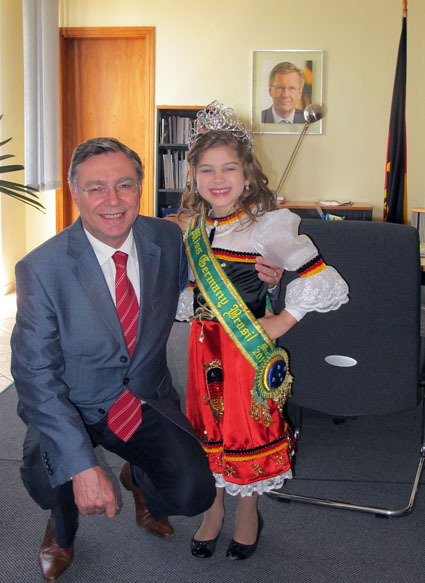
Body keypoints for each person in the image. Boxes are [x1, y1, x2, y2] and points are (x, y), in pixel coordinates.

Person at [10, 137, 219, 582]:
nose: (112, 200)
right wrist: (82, 465)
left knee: (194, 494)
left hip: (143, 399)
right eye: (96, 188)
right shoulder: (41, 269)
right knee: (49, 480)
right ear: (75, 192)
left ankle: (136, 478)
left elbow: (209, 287)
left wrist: (266, 280)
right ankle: (61, 529)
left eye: (124, 185)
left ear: (140, 188)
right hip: (73, 404)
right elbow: (35, 373)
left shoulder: (167, 238)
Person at [179, 101, 349, 561]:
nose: (218, 179)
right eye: (207, 169)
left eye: (229, 168)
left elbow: (322, 279)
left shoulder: (265, 226)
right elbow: (195, 288)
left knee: (247, 429)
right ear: (193, 176)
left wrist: (283, 318)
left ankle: (248, 510)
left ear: (248, 174)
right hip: (202, 349)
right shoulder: (194, 227)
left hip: (244, 352)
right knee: (209, 427)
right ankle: (214, 507)